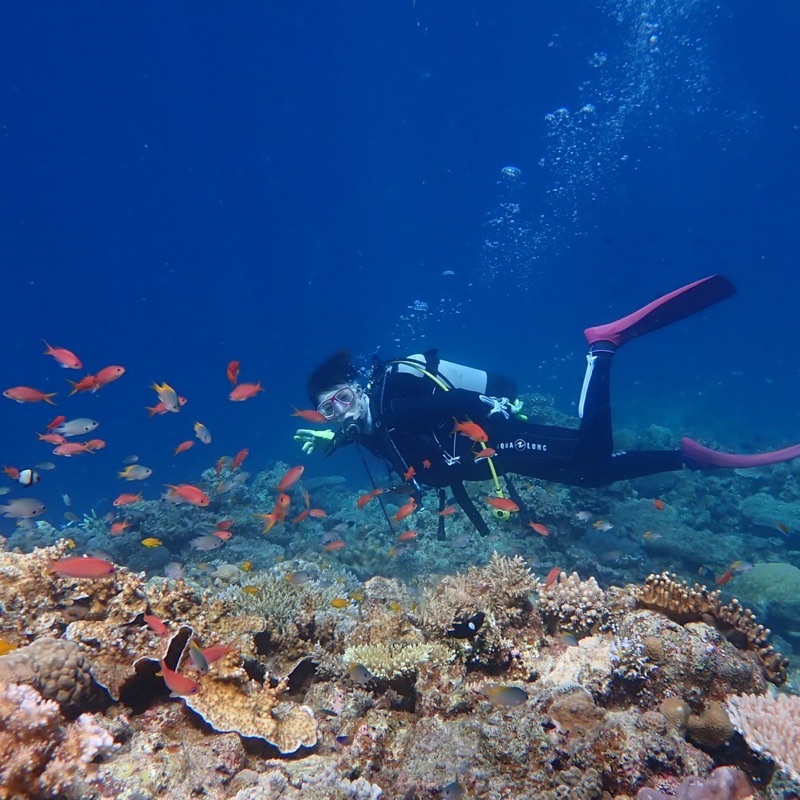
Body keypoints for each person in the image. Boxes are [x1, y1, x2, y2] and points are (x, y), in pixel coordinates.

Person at [296, 275, 800, 535]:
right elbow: (375, 432)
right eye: (329, 408)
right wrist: (337, 433)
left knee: (589, 448)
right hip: (496, 457)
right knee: (593, 473)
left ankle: (602, 348)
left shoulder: (387, 407)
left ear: (359, 387)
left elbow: (452, 401)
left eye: (342, 399)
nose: (340, 411)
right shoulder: (368, 423)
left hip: (499, 442)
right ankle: (685, 458)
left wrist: (491, 416)